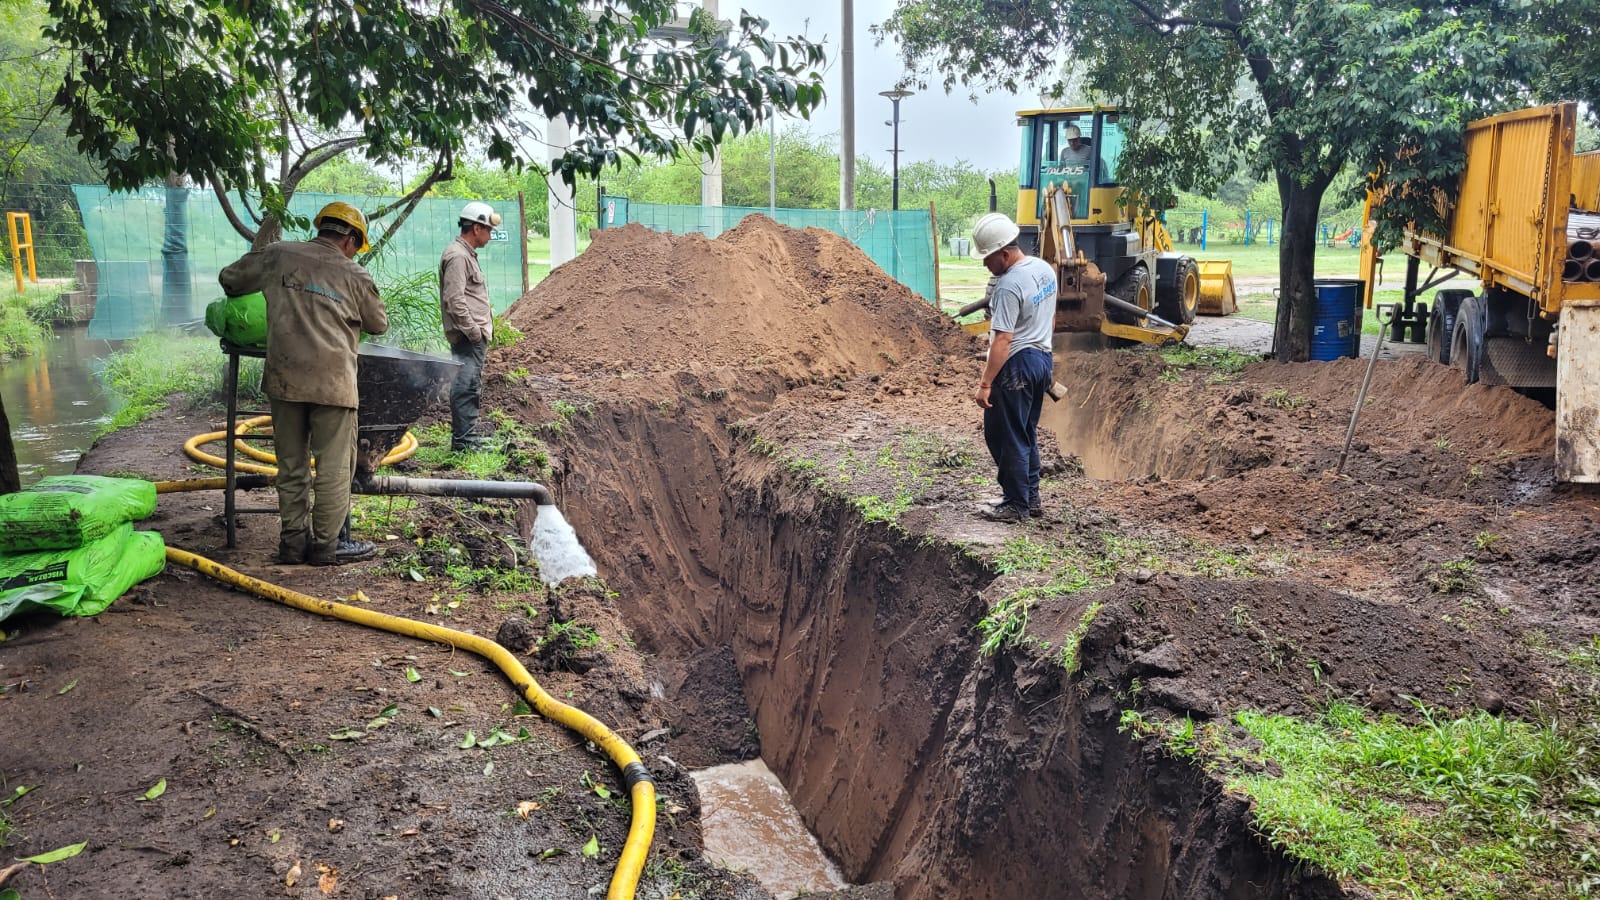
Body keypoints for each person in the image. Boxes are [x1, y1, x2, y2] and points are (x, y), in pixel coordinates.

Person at [219, 202, 389, 565]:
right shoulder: (355, 275)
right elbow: (378, 323)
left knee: (291, 465)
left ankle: (293, 544)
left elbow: (230, 279)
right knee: (332, 466)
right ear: (351, 240)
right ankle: (327, 546)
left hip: (285, 379)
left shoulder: (279, 254)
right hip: (334, 386)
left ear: (323, 228)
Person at [971, 212, 1057, 523]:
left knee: (1005, 435)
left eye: (988, 258)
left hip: (1017, 365)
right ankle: (1028, 497)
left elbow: (1003, 340)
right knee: (1025, 432)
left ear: (1005, 254)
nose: (985, 265)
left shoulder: (1008, 286)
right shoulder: (1044, 270)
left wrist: (985, 384)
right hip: (1042, 359)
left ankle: (1016, 505)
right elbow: (1048, 319)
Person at [440, 201, 501, 451]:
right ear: (476, 228)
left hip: (471, 336)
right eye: (488, 229)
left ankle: (468, 436)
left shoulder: (465, 254)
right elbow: (454, 300)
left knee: (470, 384)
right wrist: (474, 331)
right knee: (466, 385)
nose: (490, 234)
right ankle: (464, 442)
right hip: (468, 337)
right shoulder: (457, 256)